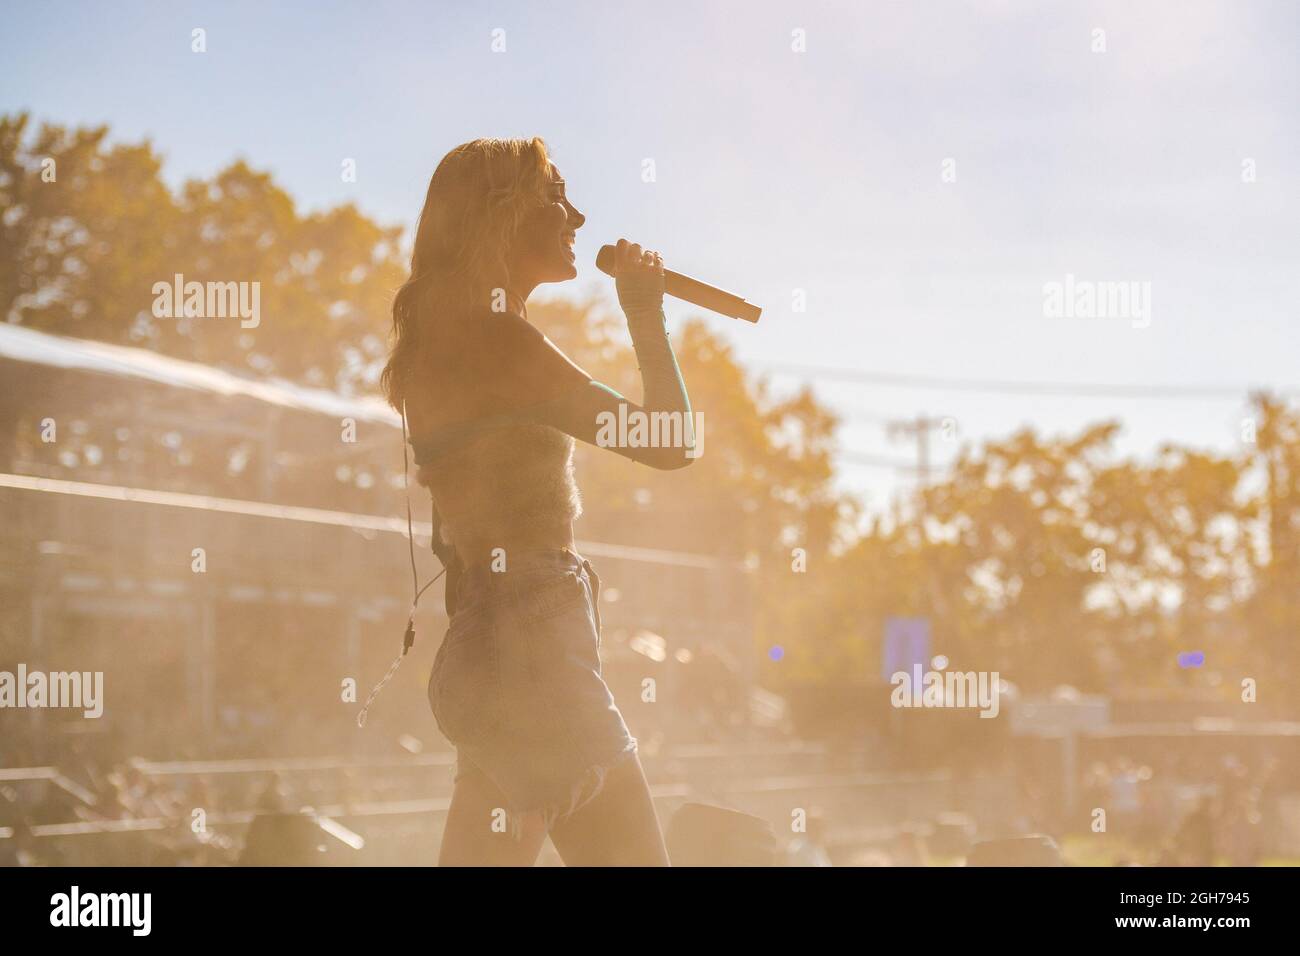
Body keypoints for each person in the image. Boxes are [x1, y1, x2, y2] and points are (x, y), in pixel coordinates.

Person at [381, 138, 695, 865]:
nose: (577, 215)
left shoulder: (440, 347)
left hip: (482, 655)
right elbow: (671, 440)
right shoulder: (502, 343)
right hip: (535, 655)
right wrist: (646, 314)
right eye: (556, 196)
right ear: (499, 215)